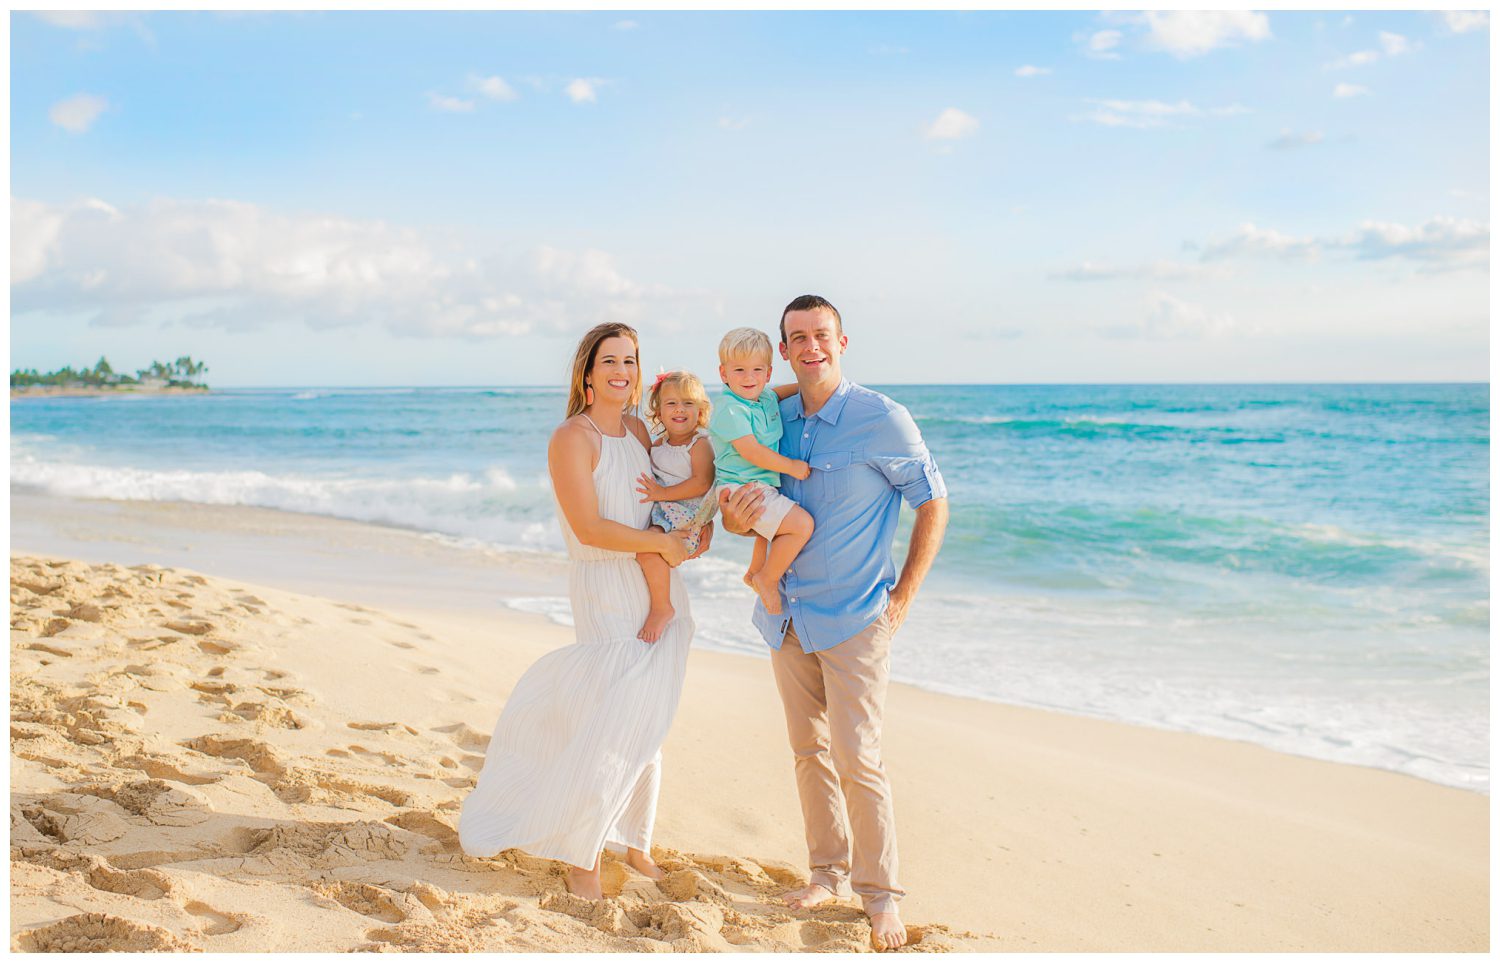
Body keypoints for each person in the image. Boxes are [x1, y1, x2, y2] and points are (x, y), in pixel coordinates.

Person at [719, 295, 949, 952]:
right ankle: (826, 873)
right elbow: (746, 504)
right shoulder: (774, 416)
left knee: (858, 757)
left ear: (843, 341)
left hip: (855, 618)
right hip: (785, 614)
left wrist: (903, 598)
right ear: (783, 349)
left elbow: (933, 502)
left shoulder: (883, 418)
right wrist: (736, 517)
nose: (810, 346)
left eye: (821, 335)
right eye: (797, 338)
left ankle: (881, 898)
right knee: (808, 752)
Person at [458, 322, 710, 900]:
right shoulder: (572, 437)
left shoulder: (642, 430)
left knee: (647, 719)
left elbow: (668, 502)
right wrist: (660, 546)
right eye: (610, 361)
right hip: (607, 589)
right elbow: (589, 529)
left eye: (631, 360)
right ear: (588, 372)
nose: (622, 371)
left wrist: (694, 533)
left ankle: (634, 841)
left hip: (658, 582)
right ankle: (582, 858)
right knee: (613, 722)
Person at [707, 327, 813, 615]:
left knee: (769, 532)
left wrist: (808, 385)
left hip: (757, 485)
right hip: (741, 487)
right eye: (739, 369)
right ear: (723, 373)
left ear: (768, 373)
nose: (748, 377)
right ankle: (768, 578)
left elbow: (779, 393)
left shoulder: (763, 397)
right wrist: (791, 467)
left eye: (757, 370)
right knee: (801, 526)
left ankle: (754, 571)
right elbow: (751, 451)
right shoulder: (729, 408)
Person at [632, 370, 717, 642]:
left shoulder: (699, 444)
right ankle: (658, 601)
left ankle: (662, 607)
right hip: (664, 517)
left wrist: (662, 492)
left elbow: (702, 483)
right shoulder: (657, 446)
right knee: (644, 551)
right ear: (658, 411)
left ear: (701, 410)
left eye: (688, 403)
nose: (679, 409)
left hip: (687, 522)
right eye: (671, 403)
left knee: (647, 551)